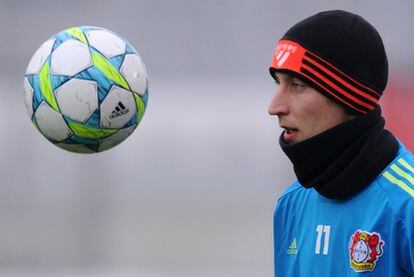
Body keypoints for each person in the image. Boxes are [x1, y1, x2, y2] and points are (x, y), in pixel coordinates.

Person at [268, 10, 414, 276]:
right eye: (278, 83)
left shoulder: (406, 205)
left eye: (297, 85)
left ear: (348, 97)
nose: (274, 106)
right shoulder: (290, 204)